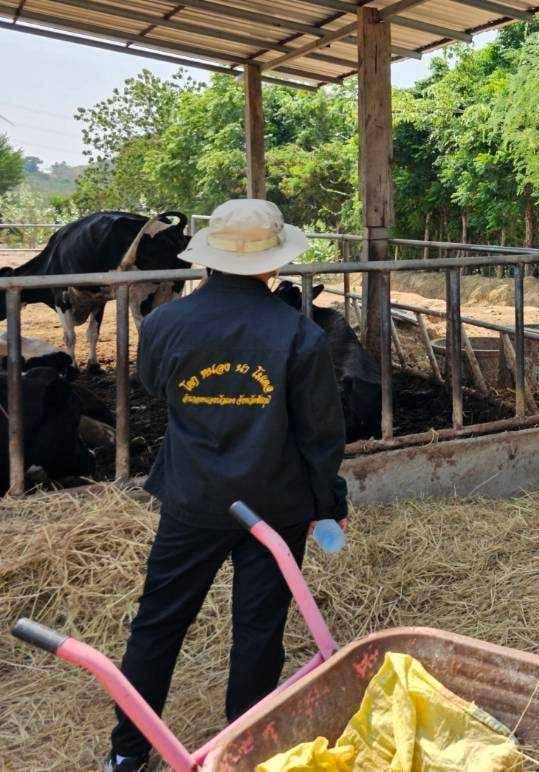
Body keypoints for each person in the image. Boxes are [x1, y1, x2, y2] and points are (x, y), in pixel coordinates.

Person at [105, 199, 348, 772]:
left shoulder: (164, 323)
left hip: (192, 498)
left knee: (159, 620)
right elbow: (321, 435)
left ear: (208, 257)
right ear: (272, 265)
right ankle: (245, 749)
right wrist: (328, 503)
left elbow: (154, 387)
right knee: (259, 629)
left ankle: (127, 750)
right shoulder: (298, 334)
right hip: (273, 503)